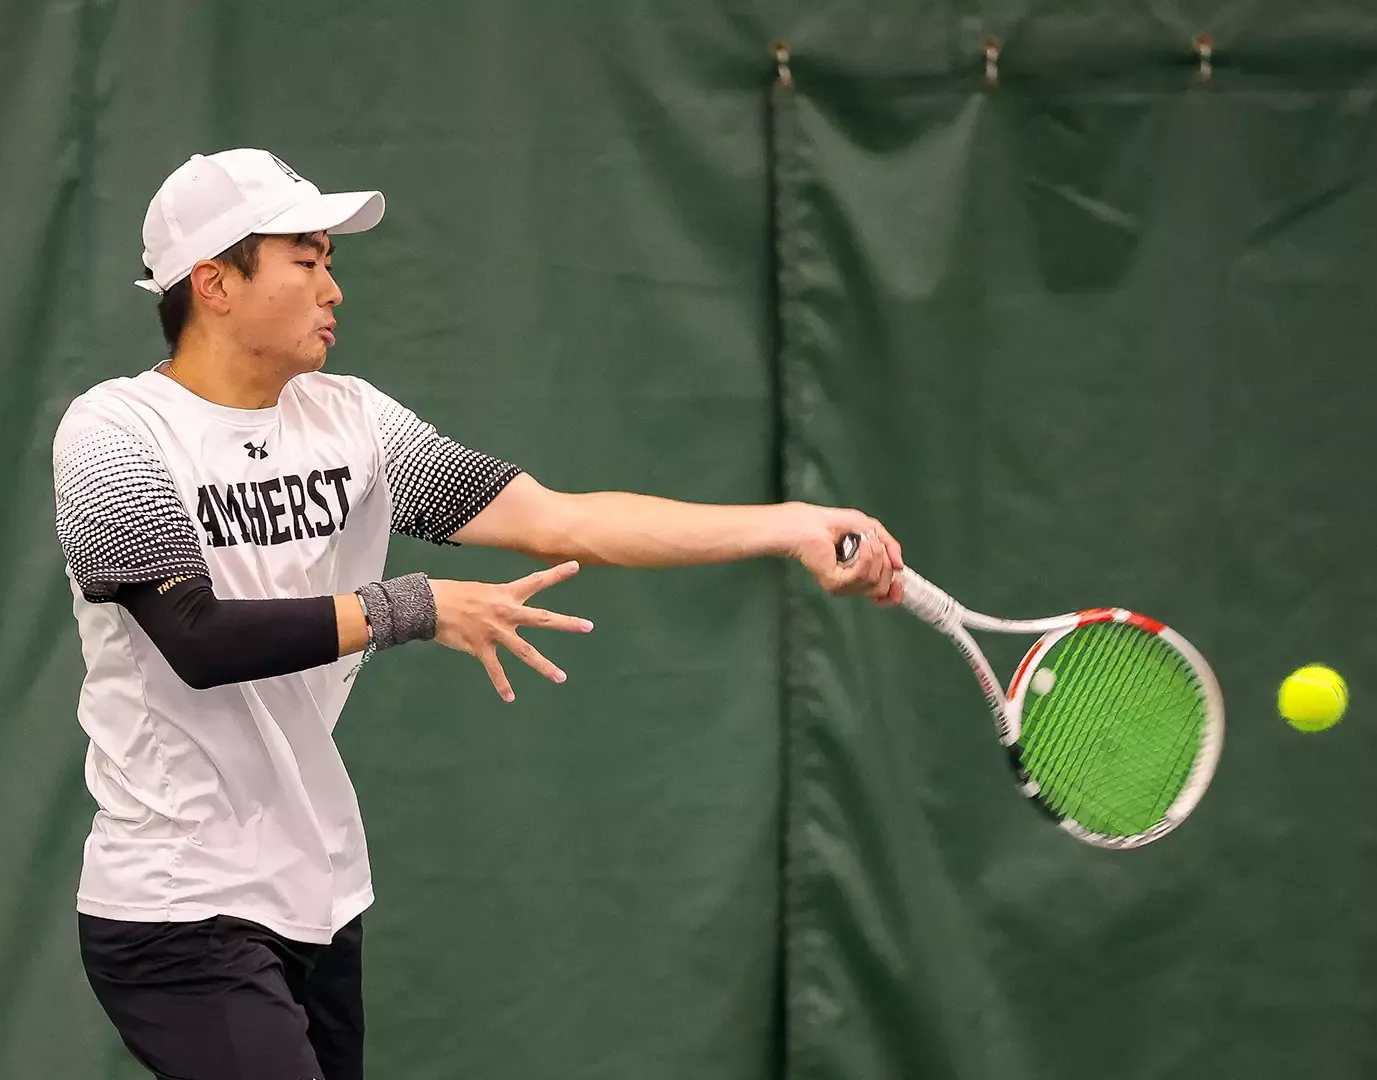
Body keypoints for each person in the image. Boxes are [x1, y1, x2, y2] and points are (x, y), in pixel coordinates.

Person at [53, 147, 905, 1080]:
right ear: (215, 283)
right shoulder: (115, 435)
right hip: (174, 902)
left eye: (331, 260)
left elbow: (561, 521)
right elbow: (196, 639)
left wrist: (790, 526)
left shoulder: (353, 423)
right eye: (306, 260)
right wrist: (408, 607)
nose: (334, 288)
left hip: (319, 889)